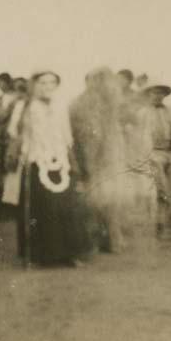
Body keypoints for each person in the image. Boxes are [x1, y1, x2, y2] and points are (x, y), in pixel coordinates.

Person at [17, 71, 85, 267]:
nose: (47, 86)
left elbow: (67, 135)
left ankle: (69, 254)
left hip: (60, 162)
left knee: (66, 207)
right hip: (37, 162)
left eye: (52, 82)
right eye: (42, 83)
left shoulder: (61, 106)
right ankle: (38, 256)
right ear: (35, 85)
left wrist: (71, 160)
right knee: (41, 208)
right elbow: (17, 133)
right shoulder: (26, 106)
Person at [70, 67, 129, 254]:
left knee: (110, 199)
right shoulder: (82, 105)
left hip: (108, 160)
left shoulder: (109, 104)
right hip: (93, 160)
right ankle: (97, 240)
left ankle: (110, 238)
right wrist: (89, 166)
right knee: (95, 200)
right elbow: (87, 139)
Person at [138, 78, 171, 238]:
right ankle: (160, 228)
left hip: (170, 154)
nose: (158, 95)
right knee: (163, 191)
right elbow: (138, 139)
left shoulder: (169, 111)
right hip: (152, 154)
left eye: (161, 93)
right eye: (154, 92)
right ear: (148, 94)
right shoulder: (142, 113)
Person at [0, 73, 17, 201]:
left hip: (12, 137)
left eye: (3, 82)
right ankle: (0, 193)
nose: (1, 85)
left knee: (11, 164)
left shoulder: (17, 98)